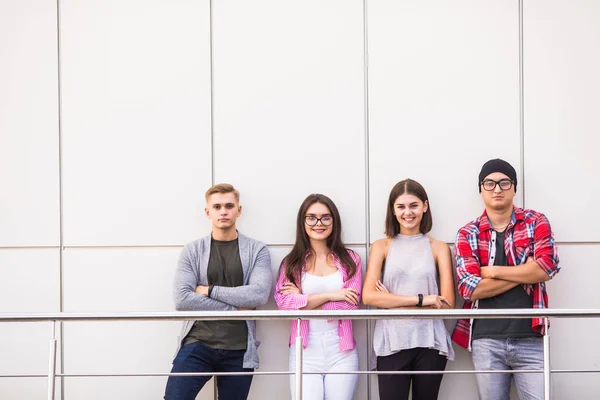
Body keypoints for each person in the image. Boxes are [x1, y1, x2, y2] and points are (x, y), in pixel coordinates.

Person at [453, 158, 560, 400]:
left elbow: (546, 267)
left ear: (514, 187)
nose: (497, 189)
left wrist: (493, 271)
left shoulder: (535, 222)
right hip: (486, 339)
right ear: (480, 189)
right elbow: (470, 289)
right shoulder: (467, 233)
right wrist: (526, 271)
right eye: (489, 183)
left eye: (504, 182)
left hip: (531, 336)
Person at [165, 184, 272, 400]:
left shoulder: (257, 250)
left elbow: (259, 295)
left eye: (229, 206)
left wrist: (208, 290)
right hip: (197, 343)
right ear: (208, 212)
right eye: (217, 206)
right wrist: (237, 307)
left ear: (238, 210)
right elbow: (182, 299)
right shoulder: (193, 250)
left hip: (239, 349)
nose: (223, 211)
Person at [363, 179, 455, 400]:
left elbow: (448, 303)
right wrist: (423, 300)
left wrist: (391, 301)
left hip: (430, 342)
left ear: (425, 206)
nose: (408, 212)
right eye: (401, 206)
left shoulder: (439, 248)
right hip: (391, 342)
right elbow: (369, 296)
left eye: (413, 205)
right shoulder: (381, 246)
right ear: (393, 211)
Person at [274, 193, 362, 400]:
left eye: (325, 217)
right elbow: (285, 305)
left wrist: (303, 299)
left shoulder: (350, 260)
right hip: (304, 351)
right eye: (311, 217)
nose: (318, 223)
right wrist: (333, 295)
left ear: (334, 221)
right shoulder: (292, 263)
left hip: (342, 351)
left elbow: (349, 306)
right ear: (303, 221)